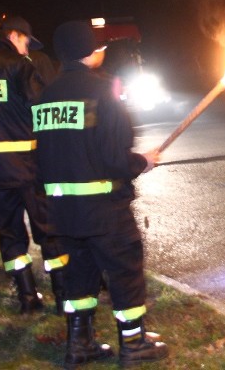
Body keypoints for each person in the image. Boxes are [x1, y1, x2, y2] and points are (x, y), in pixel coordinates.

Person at [33, 20, 167, 367]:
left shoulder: (45, 95)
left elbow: (43, 155)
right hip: (104, 208)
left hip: (63, 212)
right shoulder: (104, 90)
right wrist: (142, 161)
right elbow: (112, 157)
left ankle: (80, 344)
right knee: (125, 272)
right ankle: (134, 344)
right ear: (89, 51)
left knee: (79, 275)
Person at [0, 15, 67, 314]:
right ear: (16, 36)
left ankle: (27, 297)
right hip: (27, 166)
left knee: (9, 232)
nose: (27, 49)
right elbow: (41, 109)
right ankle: (62, 293)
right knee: (48, 229)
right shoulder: (20, 66)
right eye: (26, 43)